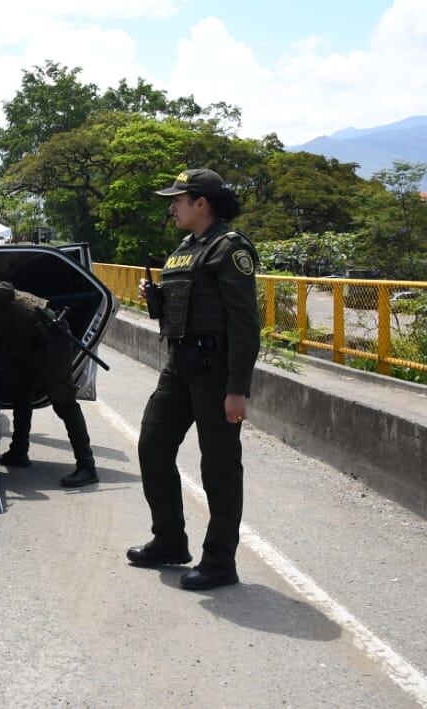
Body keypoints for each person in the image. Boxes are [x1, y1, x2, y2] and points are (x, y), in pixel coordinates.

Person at [128, 168, 260, 590]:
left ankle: (220, 561)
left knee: (219, 467)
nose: (173, 206)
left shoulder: (229, 248)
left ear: (201, 203)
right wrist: (157, 300)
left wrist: (237, 389)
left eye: (179, 199)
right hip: (179, 366)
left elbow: (244, 324)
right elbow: (180, 312)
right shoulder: (185, 249)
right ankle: (169, 541)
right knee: (152, 445)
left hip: (215, 371)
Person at [0, 280, 98, 488]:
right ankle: (19, 451)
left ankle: (87, 466)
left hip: (51, 338)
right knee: (22, 392)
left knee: (64, 402)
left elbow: (6, 288)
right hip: (29, 341)